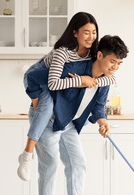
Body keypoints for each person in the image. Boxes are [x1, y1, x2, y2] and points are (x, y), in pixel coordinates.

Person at [26, 35, 129, 195]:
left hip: (69, 124)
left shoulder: (105, 81)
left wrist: (103, 122)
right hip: (49, 120)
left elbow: (98, 107)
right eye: (112, 61)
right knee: (50, 165)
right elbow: (48, 81)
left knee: (78, 163)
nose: (115, 67)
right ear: (99, 55)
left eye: (119, 63)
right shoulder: (76, 66)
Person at [17, 12, 116, 182]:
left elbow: (108, 75)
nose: (91, 37)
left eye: (94, 32)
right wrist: (80, 81)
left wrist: (102, 116)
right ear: (75, 33)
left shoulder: (92, 55)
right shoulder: (62, 53)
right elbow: (53, 83)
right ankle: (26, 155)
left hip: (55, 83)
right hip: (39, 79)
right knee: (46, 105)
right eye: (86, 32)